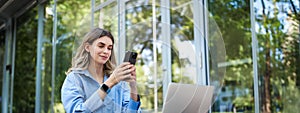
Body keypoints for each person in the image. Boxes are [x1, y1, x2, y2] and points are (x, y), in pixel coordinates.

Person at [61, 28, 141, 113]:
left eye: (109, 48)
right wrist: (109, 83)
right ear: (87, 47)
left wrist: (133, 87)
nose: (106, 51)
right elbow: (77, 111)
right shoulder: (74, 79)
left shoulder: (119, 81)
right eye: (101, 46)